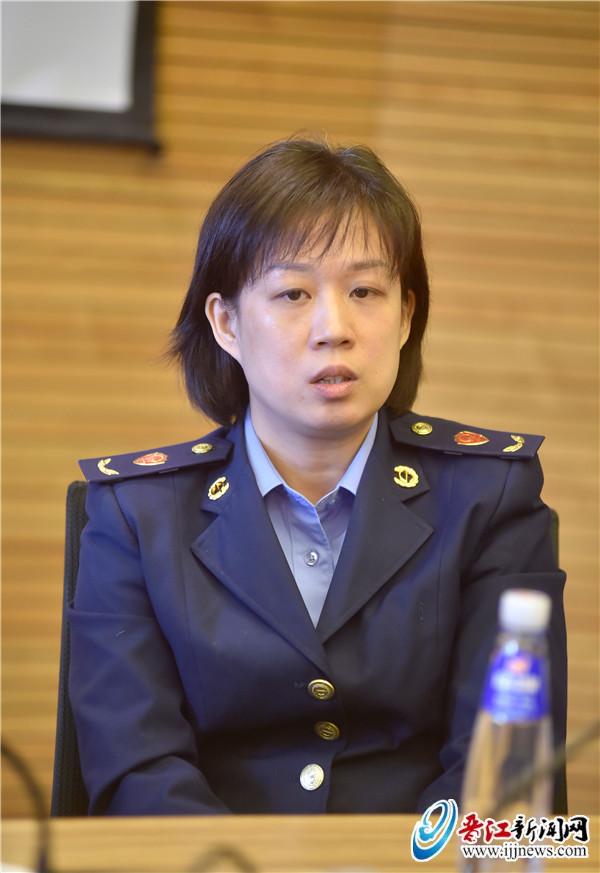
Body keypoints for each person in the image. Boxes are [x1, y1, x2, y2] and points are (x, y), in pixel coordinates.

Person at [70, 137, 567, 816]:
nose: (334, 328)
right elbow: (136, 771)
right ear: (226, 323)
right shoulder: (137, 513)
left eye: (365, 291)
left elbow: (500, 769)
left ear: (406, 316)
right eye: (293, 293)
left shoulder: (490, 496)